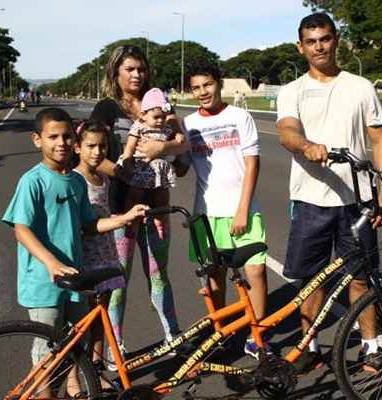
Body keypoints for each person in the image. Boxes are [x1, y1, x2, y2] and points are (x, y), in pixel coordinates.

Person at [276, 13, 382, 373]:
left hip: (356, 201)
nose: (319, 47)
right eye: (311, 42)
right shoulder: (291, 91)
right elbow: (286, 131)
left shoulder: (360, 87)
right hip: (310, 200)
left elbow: (379, 141)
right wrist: (307, 145)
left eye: (325, 39)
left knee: (362, 277)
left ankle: (371, 346)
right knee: (311, 280)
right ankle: (309, 347)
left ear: (336, 40)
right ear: (301, 47)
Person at [1, 108, 148, 396]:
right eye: (53, 136)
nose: (61, 143)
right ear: (36, 140)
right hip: (44, 281)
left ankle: (67, 389)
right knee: (47, 347)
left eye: (67, 136)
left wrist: (121, 218)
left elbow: (89, 224)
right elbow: (21, 229)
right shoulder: (33, 180)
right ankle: (45, 395)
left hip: (75, 279)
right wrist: (51, 262)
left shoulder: (76, 181)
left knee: (74, 344)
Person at [90, 45, 188, 370]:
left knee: (160, 277)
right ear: (116, 72)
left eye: (141, 69)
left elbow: (183, 141)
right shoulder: (107, 109)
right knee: (118, 283)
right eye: (129, 69)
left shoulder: (159, 101)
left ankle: (173, 338)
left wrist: (166, 145)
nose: (136, 74)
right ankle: (114, 349)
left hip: (157, 208)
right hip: (120, 211)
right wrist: (120, 171)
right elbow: (89, 152)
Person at [183, 63, 271, 359]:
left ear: (218, 84)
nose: (202, 92)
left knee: (256, 270)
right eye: (196, 87)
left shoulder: (240, 116)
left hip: (242, 208)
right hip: (204, 213)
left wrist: (243, 209)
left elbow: (252, 163)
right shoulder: (188, 123)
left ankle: (257, 334)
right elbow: (182, 167)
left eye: (207, 85)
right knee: (214, 278)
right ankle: (221, 331)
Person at [72, 119, 127, 389]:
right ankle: (75, 374)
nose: (97, 152)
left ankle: (96, 370)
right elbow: (83, 225)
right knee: (83, 320)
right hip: (86, 258)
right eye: (90, 146)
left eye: (102, 146)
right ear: (77, 147)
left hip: (106, 253)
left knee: (100, 315)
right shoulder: (75, 180)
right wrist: (121, 220)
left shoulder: (103, 178)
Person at [117, 87, 183, 239]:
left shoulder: (166, 127)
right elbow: (130, 146)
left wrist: (177, 137)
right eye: (156, 117)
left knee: (162, 197)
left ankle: (161, 222)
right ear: (143, 115)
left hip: (158, 168)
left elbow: (179, 140)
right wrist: (127, 163)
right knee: (134, 195)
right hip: (141, 166)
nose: (160, 121)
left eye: (163, 117)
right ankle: (128, 221)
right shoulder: (139, 127)